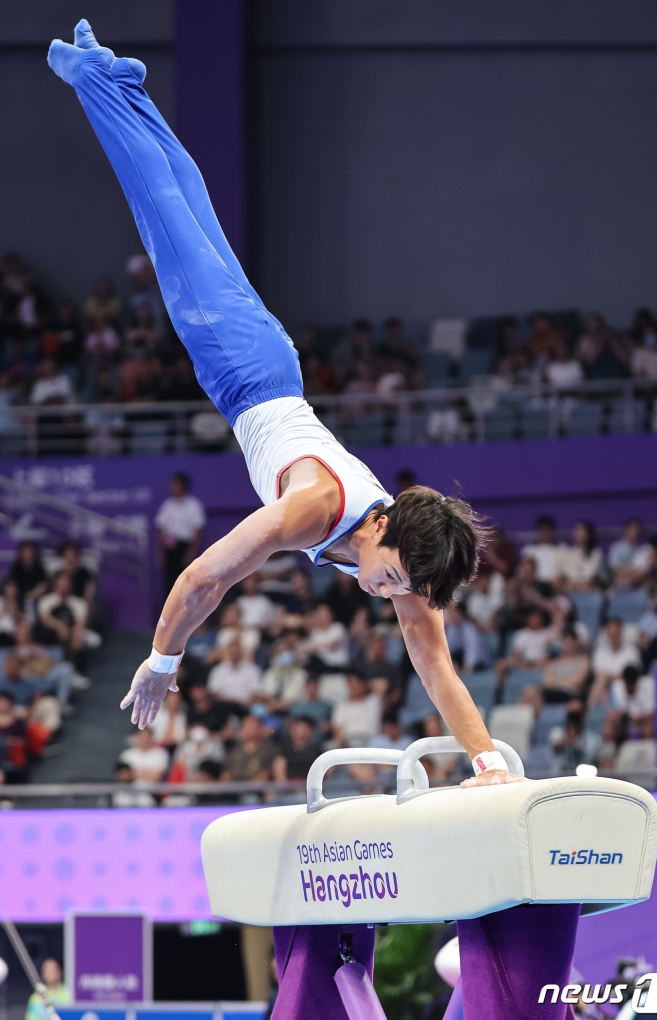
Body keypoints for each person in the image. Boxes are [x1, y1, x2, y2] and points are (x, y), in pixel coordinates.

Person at [49, 23, 523, 788]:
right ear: (383, 527)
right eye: (395, 578)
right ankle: (96, 80)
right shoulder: (318, 508)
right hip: (244, 369)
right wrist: (163, 663)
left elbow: (435, 666)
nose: (389, 594)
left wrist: (488, 761)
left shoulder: (399, 559)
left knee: (187, 214)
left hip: (264, 367)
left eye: (401, 588)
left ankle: (126, 85)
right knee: (164, 212)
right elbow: (205, 576)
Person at [154, 472, 206, 594]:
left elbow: (198, 531)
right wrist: (161, 552)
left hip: (185, 546)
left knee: (186, 582)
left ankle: (187, 612)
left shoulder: (193, 505)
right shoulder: (167, 505)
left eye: (175, 484)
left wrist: (191, 552)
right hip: (170, 547)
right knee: (170, 583)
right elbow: (160, 529)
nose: (171, 487)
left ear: (183, 486)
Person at [590, 617, 641, 705]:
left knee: (606, 684)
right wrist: (611, 676)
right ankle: (594, 709)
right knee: (602, 688)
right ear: (607, 633)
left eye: (616, 633)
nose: (613, 636)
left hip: (624, 686)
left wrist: (608, 676)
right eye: (611, 633)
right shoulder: (600, 652)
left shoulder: (631, 651)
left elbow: (629, 674)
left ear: (620, 632)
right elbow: (597, 674)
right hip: (605, 687)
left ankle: (591, 709)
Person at [332, 672, 382, 747]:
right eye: (351, 683)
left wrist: (367, 684)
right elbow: (338, 731)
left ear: (363, 683)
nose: (354, 686)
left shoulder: (374, 701)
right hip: (350, 743)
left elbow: (382, 685)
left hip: (371, 743)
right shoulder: (342, 706)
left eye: (357, 682)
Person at [608, 518, 652, 588]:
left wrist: (633, 578)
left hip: (637, 582)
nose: (634, 533)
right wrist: (629, 576)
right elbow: (615, 568)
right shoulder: (616, 547)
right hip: (619, 582)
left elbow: (643, 571)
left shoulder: (642, 550)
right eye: (632, 530)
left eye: (636, 531)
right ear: (626, 530)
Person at [272, 716, 320, 781]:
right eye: (299, 728)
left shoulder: (317, 750)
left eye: (305, 728)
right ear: (291, 731)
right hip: (290, 788)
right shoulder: (284, 751)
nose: (302, 732)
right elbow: (280, 777)